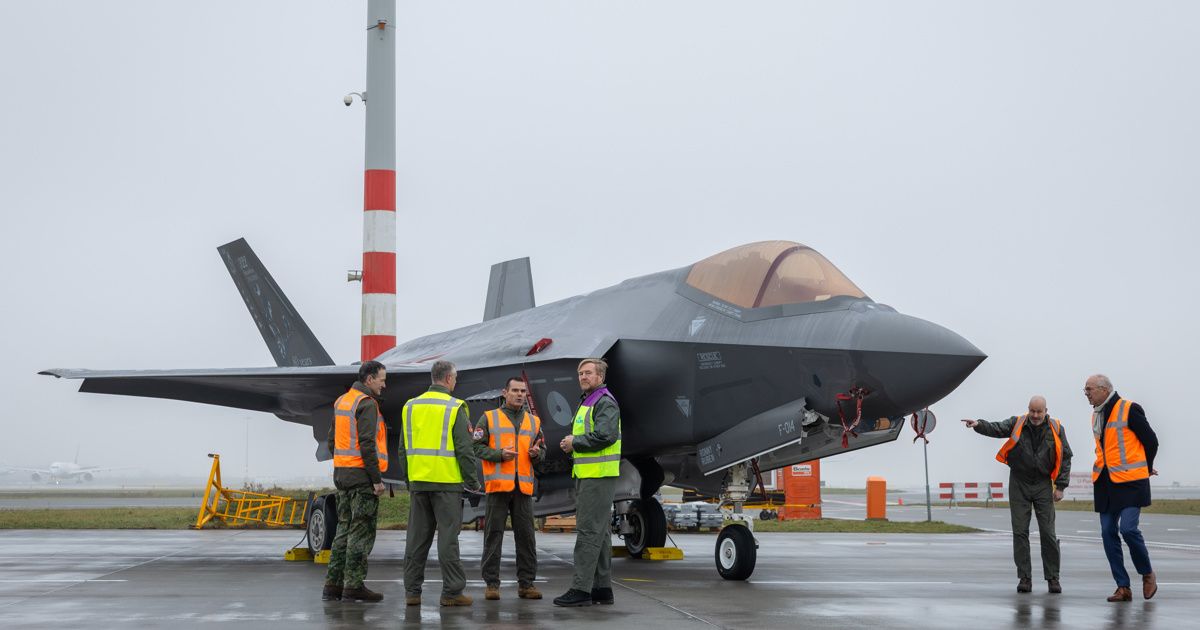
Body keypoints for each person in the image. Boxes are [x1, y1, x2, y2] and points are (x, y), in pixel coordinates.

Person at [962, 395, 1073, 594]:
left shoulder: (1056, 428)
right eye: (1032, 411)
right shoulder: (1017, 423)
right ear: (1028, 410)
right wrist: (978, 424)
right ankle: (1025, 577)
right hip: (1019, 483)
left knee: (1048, 533)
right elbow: (997, 428)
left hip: (1042, 484)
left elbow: (1066, 457)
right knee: (1020, 532)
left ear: (1046, 411)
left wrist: (1061, 486)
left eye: (1039, 411)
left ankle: (1053, 578)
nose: (1035, 415)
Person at [400, 360, 482, 607]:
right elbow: (465, 449)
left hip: (419, 483)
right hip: (446, 484)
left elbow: (402, 450)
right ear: (448, 379)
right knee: (447, 540)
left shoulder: (410, 406)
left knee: (416, 539)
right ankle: (452, 592)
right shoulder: (455, 407)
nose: (455, 383)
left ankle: (412, 593)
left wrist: (409, 479)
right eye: (455, 379)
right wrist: (473, 482)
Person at [1084, 374, 1160, 602]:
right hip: (1106, 482)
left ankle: (1147, 574)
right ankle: (1123, 587)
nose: (1086, 393)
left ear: (1104, 389)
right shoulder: (1096, 415)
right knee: (1108, 532)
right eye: (1084, 390)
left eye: (1089, 389)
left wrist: (1147, 467)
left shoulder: (1129, 409)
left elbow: (1151, 440)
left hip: (1132, 482)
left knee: (1128, 529)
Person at [554, 358, 621, 607]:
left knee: (588, 532)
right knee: (600, 533)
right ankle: (602, 589)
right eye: (581, 373)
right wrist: (572, 444)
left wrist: (574, 443)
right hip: (589, 475)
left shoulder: (604, 402)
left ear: (600, 377)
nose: (583, 377)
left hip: (598, 476)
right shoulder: (590, 401)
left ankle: (580, 589)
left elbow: (606, 435)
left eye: (588, 373)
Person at [322, 360, 389, 603]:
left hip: (342, 476)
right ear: (369, 379)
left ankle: (332, 586)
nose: (384, 384)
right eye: (382, 379)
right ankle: (353, 586)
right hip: (362, 478)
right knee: (360, 533)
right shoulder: (367, 404)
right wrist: (376, 480)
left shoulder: (343, 401)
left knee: (343, 531)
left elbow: (332, 441)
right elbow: (368, 444)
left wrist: (343, 463)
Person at [474, 377, 545, 600]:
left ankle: (526, 584)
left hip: (522, 488)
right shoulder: (488, 418)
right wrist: (498, 455)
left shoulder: (534, 422)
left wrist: (537, 454)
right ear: (505, 392)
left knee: (526, 537)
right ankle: (492, 585)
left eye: (523, 391)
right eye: (515, 390)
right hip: (498, 487)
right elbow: (476, 446)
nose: (519, 394)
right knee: (493, 536)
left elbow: (542, 451)